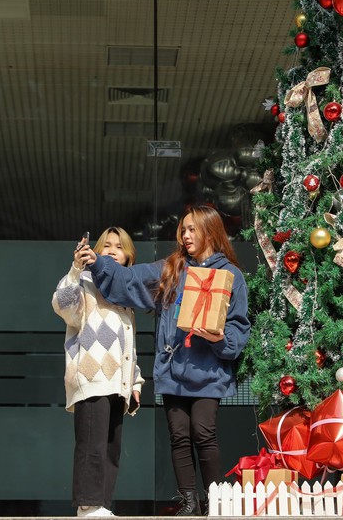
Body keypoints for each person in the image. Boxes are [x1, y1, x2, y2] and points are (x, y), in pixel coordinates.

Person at [77, 206, 250, 516]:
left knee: (203, 431)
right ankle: (188, 502)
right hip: (173, 369)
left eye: (192, 229)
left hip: (209, 371)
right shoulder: (172, 268)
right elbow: (130, 277)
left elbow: (238, 328)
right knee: (179, 435)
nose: (185, 235)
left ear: (211, 231)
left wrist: (218, 339)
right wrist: (100, 262)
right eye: (183, 229)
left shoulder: (231, 276)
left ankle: (216, 504)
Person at [52, 227, 144, 517]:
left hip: (119, 382)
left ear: (129, 256)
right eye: (106, 246)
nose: (112, 250)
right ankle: (88, 505)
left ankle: (99, 505)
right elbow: (64, 306)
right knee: (92, 443)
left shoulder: (127, 296)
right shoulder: (87, 282)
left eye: (119, 247)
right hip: (92, 376)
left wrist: (136, 381)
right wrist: (76, 269)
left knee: (110, 448)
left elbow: (126, 343)